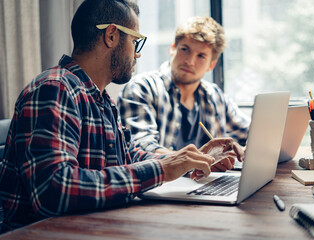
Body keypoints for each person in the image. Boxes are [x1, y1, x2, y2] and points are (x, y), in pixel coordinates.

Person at [0, 0, 243, 232]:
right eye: (135, 41)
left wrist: (188, 161)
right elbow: (54, 190)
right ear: (112, 35)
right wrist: (161, 168)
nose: (137, 55)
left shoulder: (101, 98)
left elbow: (129, 155)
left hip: (93, 227)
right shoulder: (55, 88)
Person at [118, 16, 250, 172]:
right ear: (173, 48)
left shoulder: (215, 96)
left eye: (201, 56)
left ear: (211, 65)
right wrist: (194, 161)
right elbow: (140, 147)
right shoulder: (143, 88)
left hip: (206, 183)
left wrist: (250, 150)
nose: (190, 61)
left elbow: (250, 132)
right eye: (185, 49)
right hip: (161, 188)